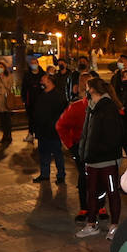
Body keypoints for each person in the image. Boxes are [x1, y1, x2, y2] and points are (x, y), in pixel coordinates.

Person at [77, 78, 125, 239]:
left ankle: (115, 225)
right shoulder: (92, 107)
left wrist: (98, 151)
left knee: (112, 192)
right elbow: (86, 133)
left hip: (107, 160)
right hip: (91, 159)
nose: (85, 89)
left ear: (92, 89)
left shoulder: (107, 107)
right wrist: (83, 152)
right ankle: (91, 224)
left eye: (87, 86)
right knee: (91, 193)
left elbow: (113, 136)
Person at [55, 82, 91, 223]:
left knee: (99, 177)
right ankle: (84, 207)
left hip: (98, 147)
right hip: (80, 147)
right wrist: (71, 145)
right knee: (83, 176)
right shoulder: (76, 108)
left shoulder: (104, 106)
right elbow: (60, 126)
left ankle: (100, 206)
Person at [28, 71, 67, 184]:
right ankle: (44, 174)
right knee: (43, 154)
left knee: (57, 154)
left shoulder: (58, 96)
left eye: (43, 80)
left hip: (53, 131)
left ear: (50, 82)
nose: (41, 82)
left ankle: (61, 175)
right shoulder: (41, 95)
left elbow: (62, 114)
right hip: (42, 131)